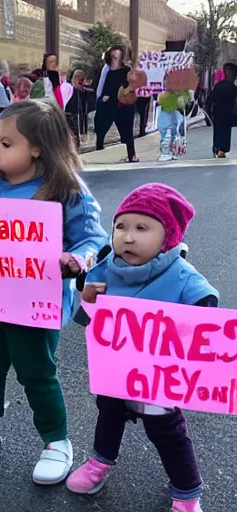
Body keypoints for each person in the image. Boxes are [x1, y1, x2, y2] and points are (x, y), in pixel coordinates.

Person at [0, 100, 108, 485]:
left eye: (7, 144)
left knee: (37, 371)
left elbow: (94, 237)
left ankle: (56, 441)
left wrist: (77, 258)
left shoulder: (64, 189)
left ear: (37, 148)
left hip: (35, 304)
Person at [66, 183, 218, 512]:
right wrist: (89, 299)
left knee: (167, 432)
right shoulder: (108, 268)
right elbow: (91, 317)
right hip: (116, 368)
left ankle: (187, 491)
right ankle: (100, 463)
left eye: (142, 227)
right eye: (121, 226)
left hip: (158, 376)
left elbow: (207, 314)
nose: (128, 237)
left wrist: (192, 326)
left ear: (168, 237)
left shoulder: (181, 275)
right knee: (108, 415)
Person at [95, 45, 139, 162]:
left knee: (127, 131)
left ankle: (132, 155)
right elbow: (99, 85)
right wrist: (101, 98)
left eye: (118, 56)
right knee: (101, 129)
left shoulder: (126, 70)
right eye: (114, 56)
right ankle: (98, 154)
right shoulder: (105, 69)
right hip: (107, 104)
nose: (116, 58)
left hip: (124, 104)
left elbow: (132, 85)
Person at [211, 62, 237, 158]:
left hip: (217, 112)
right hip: (228, 113)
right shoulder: (233, 88)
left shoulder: (218, 86)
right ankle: (222, 150)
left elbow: (211, 99)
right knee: (225, 131)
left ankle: (217, 148)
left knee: (218, 130)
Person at [65, 69, 93, 148]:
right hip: (69, 114)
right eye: (79, 78)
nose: (81, 81)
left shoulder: (83, 91)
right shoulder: (68, 88)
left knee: (75, 135)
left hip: (77, 115)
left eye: (83, 79)